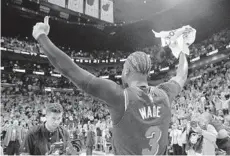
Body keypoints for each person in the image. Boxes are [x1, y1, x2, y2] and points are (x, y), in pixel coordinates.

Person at [32, 16, 188, 155]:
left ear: (126, 71)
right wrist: (182, 50)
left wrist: (41, 36)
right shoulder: (165, 94)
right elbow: (181, 75)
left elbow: (71, 70)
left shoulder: (120, 97)